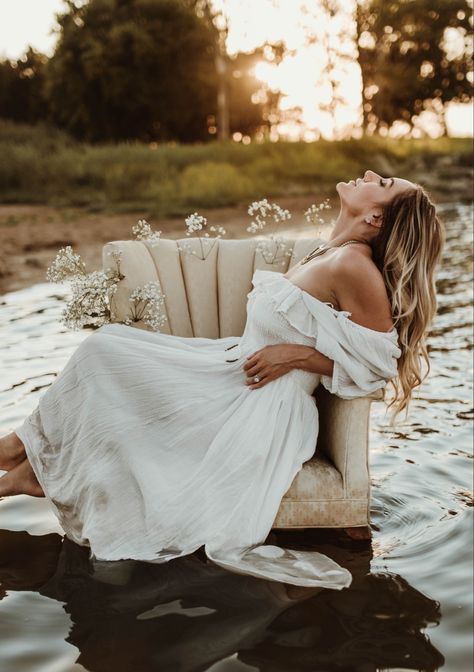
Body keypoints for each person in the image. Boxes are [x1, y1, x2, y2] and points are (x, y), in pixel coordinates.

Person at [0, 170, 445, 589]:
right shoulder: (331, 251)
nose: (369, 176)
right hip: (230, 373)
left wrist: (300, 356)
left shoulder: (354, 266)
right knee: (107, 350)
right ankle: (21, 464)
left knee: (105, 356)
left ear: (375, 218)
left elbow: (384, 362)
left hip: (259, 406)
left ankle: (19, 463)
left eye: (382, 182)